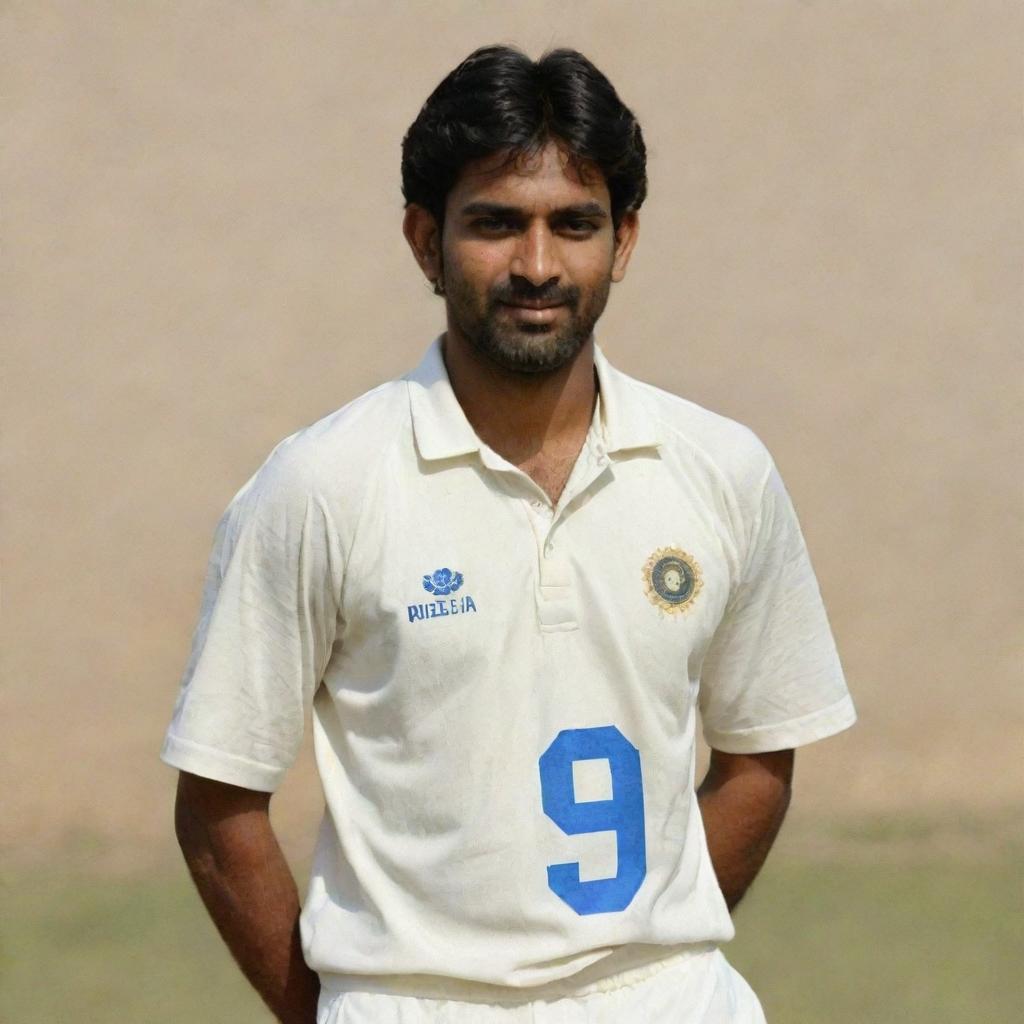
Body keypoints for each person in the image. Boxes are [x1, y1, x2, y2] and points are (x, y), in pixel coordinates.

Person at [162, 44, 856, 1024]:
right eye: (495, 223)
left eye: (574, 224)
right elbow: (218, 806)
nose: (537, 265)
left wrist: (642, 958)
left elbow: (758, 759)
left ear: (623, 241)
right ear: (422, 239)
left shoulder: (721, 467)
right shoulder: (321, 484)